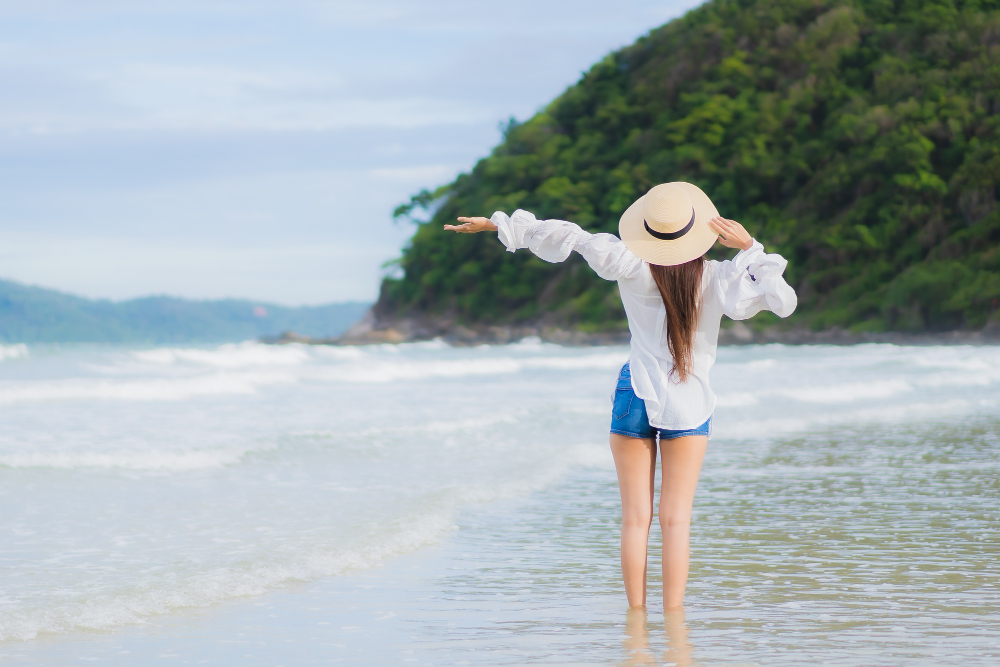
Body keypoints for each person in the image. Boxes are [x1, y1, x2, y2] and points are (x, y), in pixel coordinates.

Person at [444, 181, 797, 609]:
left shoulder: (629, 263)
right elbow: (783, 301)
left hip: (635, 391)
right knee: (676, 520)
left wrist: (498, 224)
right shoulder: (720, 278)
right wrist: (751, 247)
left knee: (635, 519)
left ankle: (636, 620)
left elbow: (569, 236)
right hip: (688, 398)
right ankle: (673, 623)